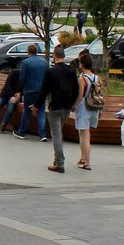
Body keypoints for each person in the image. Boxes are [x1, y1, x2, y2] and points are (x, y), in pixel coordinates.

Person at [38, 45, 78, 173]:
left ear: (54, 55)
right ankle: (56, 160)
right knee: (59, 132)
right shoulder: (71, 71)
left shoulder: (51, 71)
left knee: (56, 135)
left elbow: (44, 90)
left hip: (55, 106)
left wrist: (37, 105)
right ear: (64, 56)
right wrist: (73, 104)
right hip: (66, 107)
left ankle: (60, 163)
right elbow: (76, 89)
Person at [14, 44, 49, 140]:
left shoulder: (25, 62)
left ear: (28, 52)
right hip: (41, 91)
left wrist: (23, 87)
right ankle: (43, 135)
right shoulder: (44, 62)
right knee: (41, 111)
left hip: (29, 90)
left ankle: (21, 132)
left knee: (27, 111)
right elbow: (47, 76)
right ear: (36, 51)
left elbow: (22, 78)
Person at [74, 51, 101, 170]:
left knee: (84, 135)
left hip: (84, 107)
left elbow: (80, 96)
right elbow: (99, 93)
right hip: (94, 107)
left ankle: (87, 162)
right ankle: (83, 157)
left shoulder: (82, 79)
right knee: (86, 133)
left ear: (82, 64)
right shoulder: (97, 77)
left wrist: (74, 105)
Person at [0, 65, 23, 133]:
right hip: (5, 95)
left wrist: (19, 95)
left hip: (16, 97)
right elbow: (7, 86)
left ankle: (4, 123)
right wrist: (13, 95)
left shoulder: (27, 77)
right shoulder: (14, 72)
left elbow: (24, 89)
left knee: (11, 105)